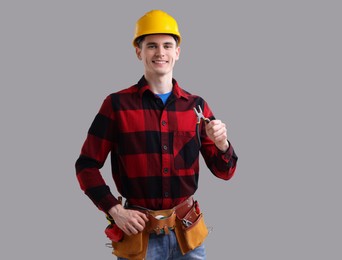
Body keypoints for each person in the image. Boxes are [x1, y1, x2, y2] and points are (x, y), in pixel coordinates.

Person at [75, 9, 238, 260]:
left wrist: (222, 144)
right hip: (140, 236)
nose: (160, 53)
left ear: (178, 53)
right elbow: (86, 166)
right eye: (151, 46)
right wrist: (115, 210)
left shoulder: (196, 107)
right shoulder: (116, 105)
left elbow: (224, 172)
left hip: (188, 235)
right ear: (139, 51)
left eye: (167, 46)